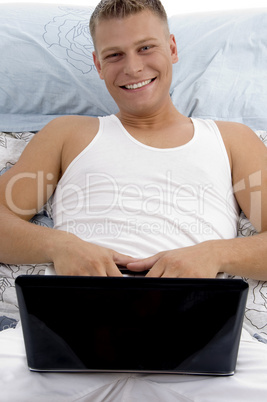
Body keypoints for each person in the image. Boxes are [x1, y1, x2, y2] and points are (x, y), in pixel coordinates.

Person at [1, 0, 267, 400]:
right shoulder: (67, 133)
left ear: (173, 48)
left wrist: (212, 255)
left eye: (146, 48)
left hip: (201, 343)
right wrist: (61, 245)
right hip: (63, 340)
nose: (133, 67)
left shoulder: (231, 138)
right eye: (114, 55)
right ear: (97, 63)